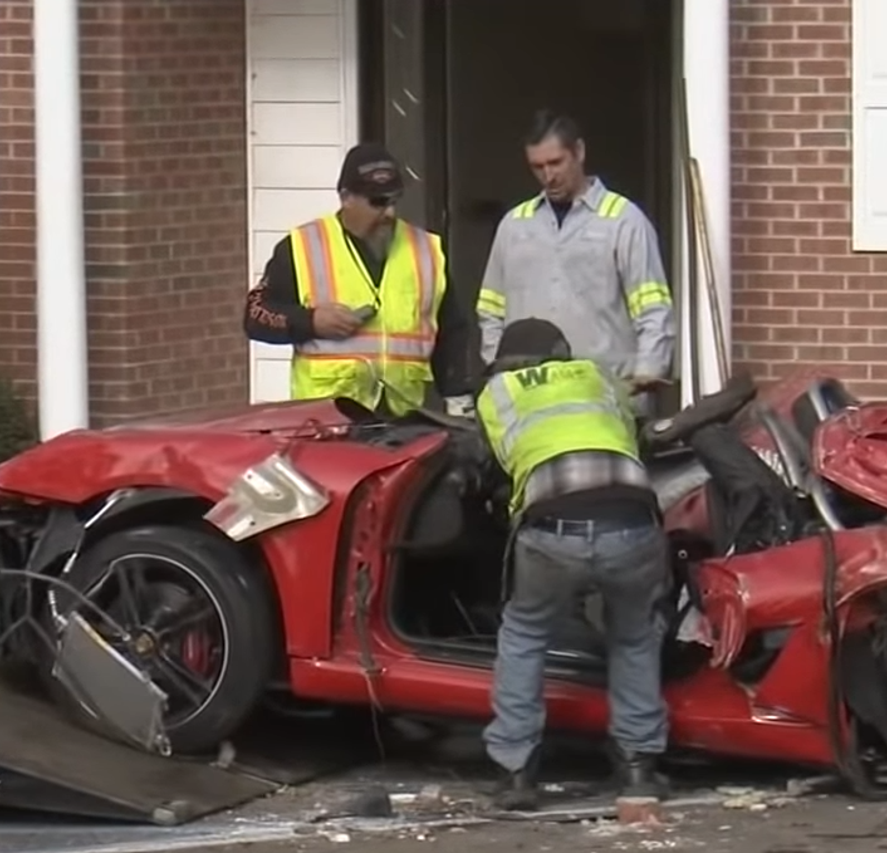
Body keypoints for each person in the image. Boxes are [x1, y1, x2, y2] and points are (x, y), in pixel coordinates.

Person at [475, 317, 671, 811]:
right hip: (632, 518)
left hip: (551, 529)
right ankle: (637, 768)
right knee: (633, 635)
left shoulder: (496, 393)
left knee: (524, 633)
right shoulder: (598, 374)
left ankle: (516, 773)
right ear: (563, 353)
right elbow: (630, 432)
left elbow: (502, 462)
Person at [245, 142, 475, 415]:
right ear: (346, 198)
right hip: (330, 422)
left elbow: (451, 330)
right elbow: (255, 315)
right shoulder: (303, 246)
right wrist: (310, 321)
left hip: (404, 419)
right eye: (377, 202)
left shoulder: (427, 249)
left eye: (393, 201)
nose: (388, 213)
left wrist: (460, 401)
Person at [475, 111, 676, 411]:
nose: (548, 175)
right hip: (530, 400)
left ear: (578, 152)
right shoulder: (514, 226)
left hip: (604, 398)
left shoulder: (623, 221)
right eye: (537, 167)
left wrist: (645, 378)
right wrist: (500, 373)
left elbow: (653, 309)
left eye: (556, 163)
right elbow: (491, 310)